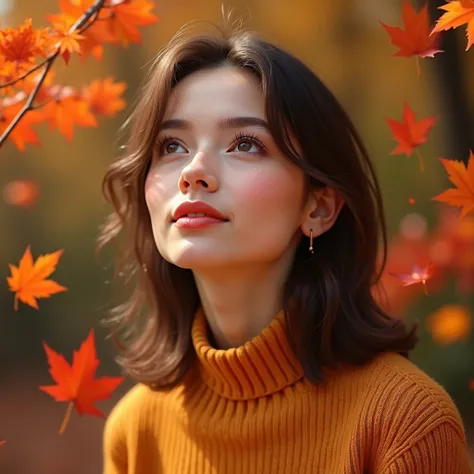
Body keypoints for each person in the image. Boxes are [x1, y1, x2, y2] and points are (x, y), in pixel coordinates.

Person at [98, 12, 472, 474]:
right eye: (171, 146)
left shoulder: (403, 424)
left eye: (246, 144)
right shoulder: (136, 432)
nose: (194, 170)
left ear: (318, 207)